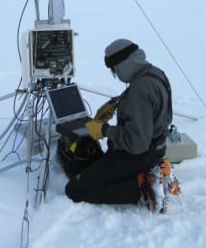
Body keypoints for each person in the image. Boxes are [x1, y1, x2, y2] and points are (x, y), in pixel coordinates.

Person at [65, 38, 173, 205]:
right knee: (95, 167)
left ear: (124, 65)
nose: (116, 75)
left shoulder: (139, 92)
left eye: (115, 70)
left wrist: (104, 130)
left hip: (137, 155)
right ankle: (150, 172)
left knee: (75, 189)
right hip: (157, 148)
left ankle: (142, 186)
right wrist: (119, 102)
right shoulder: (154, 73)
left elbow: (136, 143)